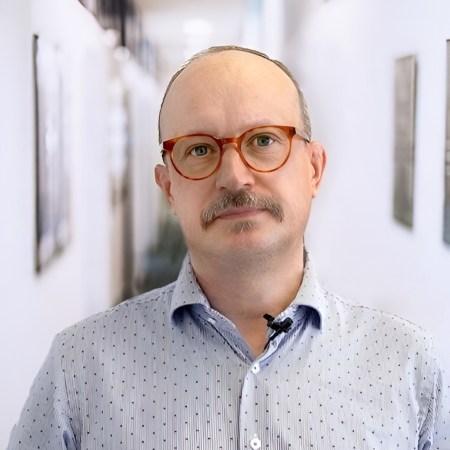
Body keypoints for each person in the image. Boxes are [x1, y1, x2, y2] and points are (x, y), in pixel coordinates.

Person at [7, 46, 449, 449]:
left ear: (313, 169)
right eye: (199, 149)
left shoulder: (410, 366)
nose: (235, 177)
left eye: (263, 141)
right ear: (169, 190)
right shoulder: (79, 368)